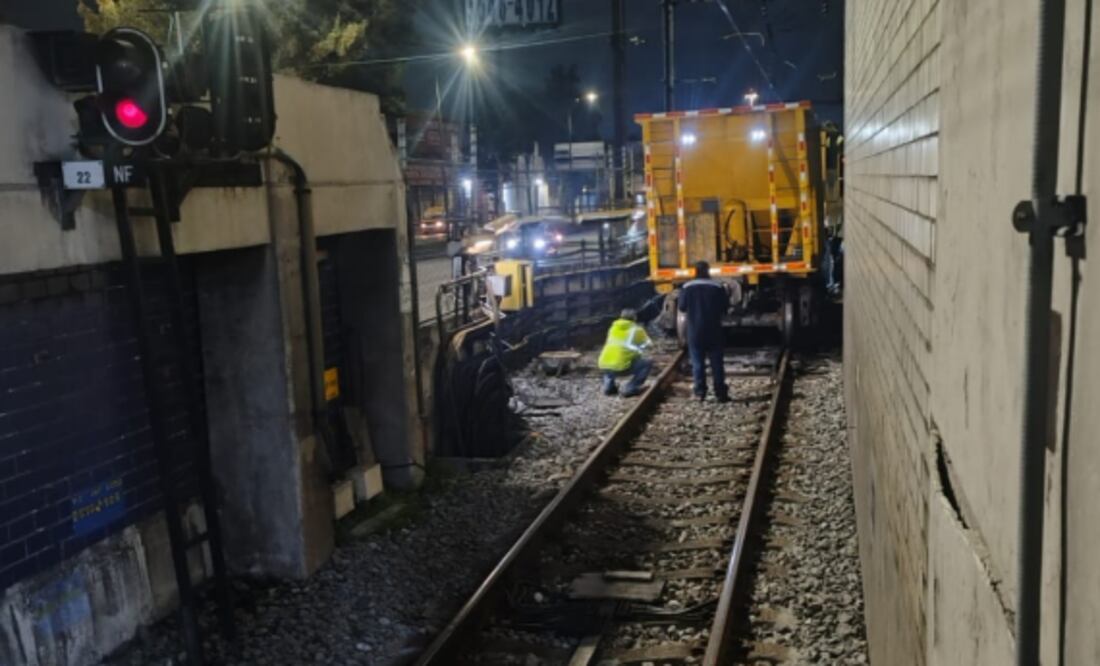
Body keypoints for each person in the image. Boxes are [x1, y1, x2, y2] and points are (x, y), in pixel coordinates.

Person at [678, 261, 730, 402]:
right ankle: (721, 393)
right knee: (717, 363)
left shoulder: (687, 287)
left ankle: (700, 393)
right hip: (714, 330)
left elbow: (682, 307)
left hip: (695, 331)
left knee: (698, 363)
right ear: (708, 271)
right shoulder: (717, 287)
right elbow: (725, 307)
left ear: (694, 271)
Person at [597, 309, 653, 397]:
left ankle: (608, 387)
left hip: (604, 364)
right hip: (621, 367)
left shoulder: (613, 328)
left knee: (610, 362)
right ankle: (631, 387)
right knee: (647, 363)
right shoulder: (637, 330)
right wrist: (640, 347)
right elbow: (649, 344)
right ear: (635, 318)